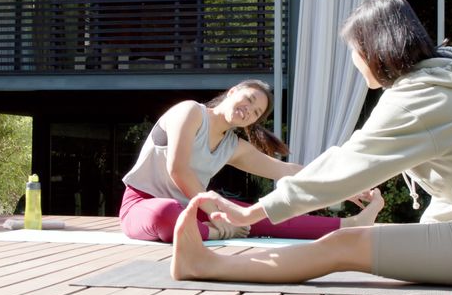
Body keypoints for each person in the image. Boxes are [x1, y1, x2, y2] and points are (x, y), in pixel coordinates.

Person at [171, 0, 452, 287]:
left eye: (355, 52)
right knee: (371, 238)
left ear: (375, 49)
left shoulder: (417, 96)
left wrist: (250, 213)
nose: (356, 63)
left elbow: (346, 165)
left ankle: (207, 265)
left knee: (343, 246)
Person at [120, 79, 383, 242]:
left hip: (195, 209)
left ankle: (350, 225)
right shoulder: (190, 112)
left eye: (256, 112)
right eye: (248, 99)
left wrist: (345, 187)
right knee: (166, 213)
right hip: (143, 203)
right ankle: (214, 232)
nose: (248, 110)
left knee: (262, 212)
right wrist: (219, 218)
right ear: (233, 91)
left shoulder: (234, 147)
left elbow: (289, 171)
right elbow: (178, 169)